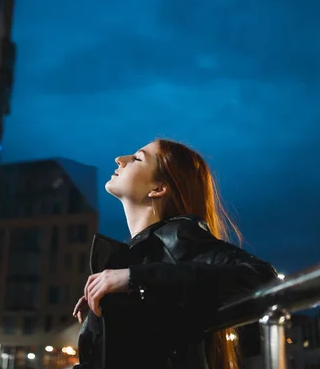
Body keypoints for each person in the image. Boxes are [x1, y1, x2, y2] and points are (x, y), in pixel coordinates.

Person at [72, 139, 277, 369]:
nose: (120, 160)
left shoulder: (180, 239)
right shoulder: (135, 255)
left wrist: (134, 278)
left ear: (158, 189)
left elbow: (262, 277)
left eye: (138, 158)